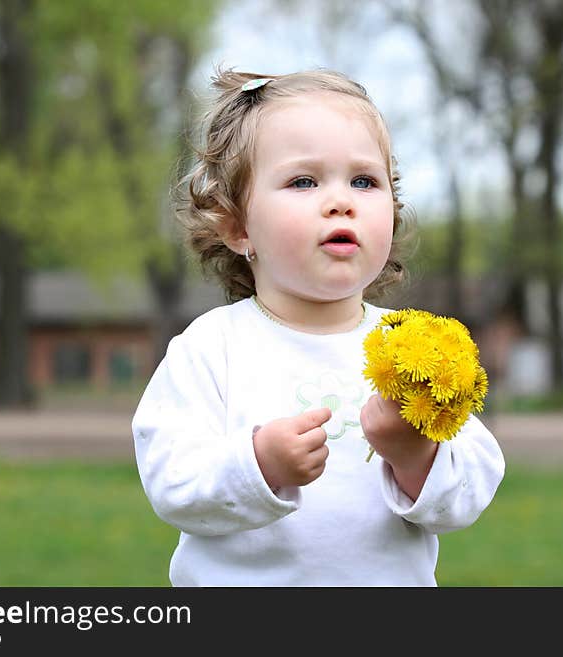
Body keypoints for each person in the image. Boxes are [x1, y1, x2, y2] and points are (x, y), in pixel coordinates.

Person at [132, 68, 505, 586]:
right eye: (304, 181)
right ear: (237, 226)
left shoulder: (411, 345)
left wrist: (417, 453)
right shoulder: (211, 348)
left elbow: (470, 491)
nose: (341, 200)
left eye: (364, 181)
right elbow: (172, 482)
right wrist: (258, 463)